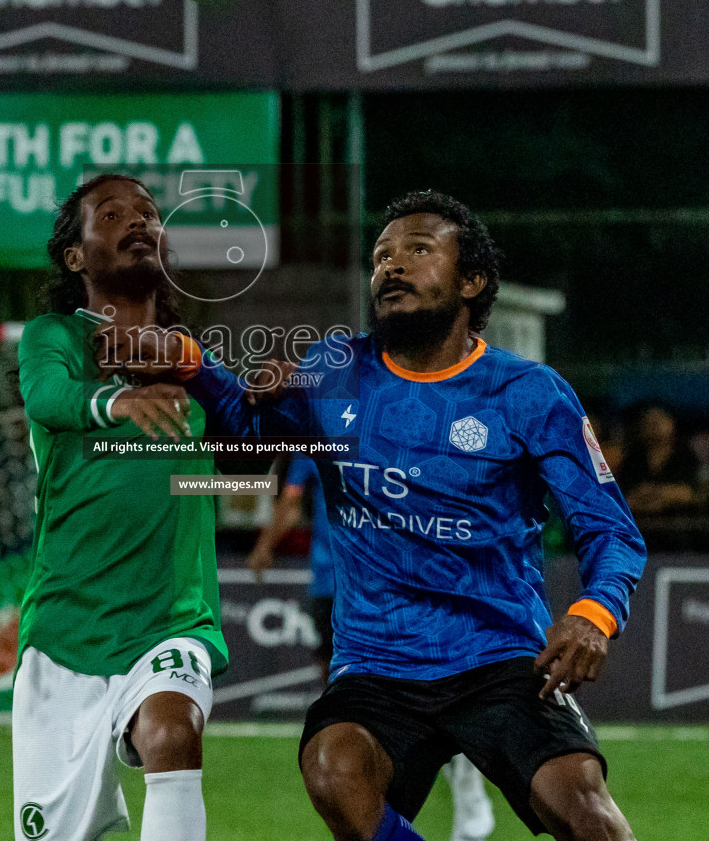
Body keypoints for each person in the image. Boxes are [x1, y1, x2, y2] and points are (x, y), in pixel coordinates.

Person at [130, 190, 645, 840]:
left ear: (472, 280)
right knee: (332, 769)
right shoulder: (332, 370)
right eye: (381, 256)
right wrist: (194, 365)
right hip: (378, 663)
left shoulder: (530, 394)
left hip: (502, 656)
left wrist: (594, 613)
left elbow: (611, 530)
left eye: (418, 250)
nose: (392, 265)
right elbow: (240, 434)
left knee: (587, 814)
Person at [12, 173, 227, 841]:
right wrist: (111, 400)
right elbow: (47, 395)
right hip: (65, 633)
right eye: (111, 214)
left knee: (172, 733)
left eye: (149, 213)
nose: (138, 221)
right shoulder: (53, 338)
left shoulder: (196, 366)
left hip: (170, 619)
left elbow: (255, 454)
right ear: (75, 256)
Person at [249, 456, 497, 841]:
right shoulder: (320, 435)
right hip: (335, 581)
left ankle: (453, 762)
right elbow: (293, 499)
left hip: (372, 583)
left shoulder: (359, 432)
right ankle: (383, 788)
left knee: (392, 689)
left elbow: (292, 502)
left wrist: (265, 546)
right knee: (341, 695)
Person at [615, 405, 701, 515]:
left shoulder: (684, 456)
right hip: (640, 522)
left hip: (677, 522)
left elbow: (688, 493)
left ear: (671, 423)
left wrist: (656, 492)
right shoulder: (633, 458)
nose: (654, 425)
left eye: (659, 420)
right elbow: (625, 494)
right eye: (648, 421)